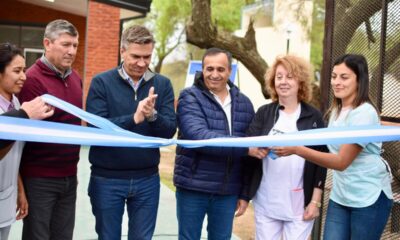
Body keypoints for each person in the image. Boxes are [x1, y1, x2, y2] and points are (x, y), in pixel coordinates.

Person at [273, 54, 393, 240]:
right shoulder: (336, 111)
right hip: (341, 196)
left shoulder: (364, 113)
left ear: (359, 80)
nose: (337, 82)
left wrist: (297, 149)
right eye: (334, 76)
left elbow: (341, 162)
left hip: (368, 198)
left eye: (344, 77)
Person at [86, 25, 176, 240]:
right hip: (107, 179)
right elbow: (96, 128)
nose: (142, 63)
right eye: (136, 56)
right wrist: (134, 119)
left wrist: (152, 115)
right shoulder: (101, 82)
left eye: (147, 57)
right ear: (122, 51)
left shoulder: (162, 84)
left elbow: (169, 130)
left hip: (147, 179)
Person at [174, 47, 255, 240]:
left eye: (220, 69)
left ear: (229, 71)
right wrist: (245, 148)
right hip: (193, 187)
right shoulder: (189, 97)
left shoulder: (245, 103)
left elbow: (251, 155)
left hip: (227, 191)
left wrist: (244, 194)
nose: (214, 74)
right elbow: (198, 135)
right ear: (202, 70)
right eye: (209, 69)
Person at [244, 55, 327, 240]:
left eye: (289, 76)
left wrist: (315, 201)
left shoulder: (314, 117)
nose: (283, 82)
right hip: (267, 201)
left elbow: (321, 162)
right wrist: (255, 150)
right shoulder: (264, 113)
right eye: (279, 77)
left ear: (300, 81)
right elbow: (247, 147)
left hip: (300, 203)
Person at [17, 19, 82, 240]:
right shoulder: (31, 80)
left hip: (69, 176)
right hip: (39, 179)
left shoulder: (76, 79)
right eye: (65, 44)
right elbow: (24, 131)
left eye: (75, 45)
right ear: (47, 43)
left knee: (64, 237)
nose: (71, 51)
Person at [0, 43, 54, 240]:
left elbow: (14, 154)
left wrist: (20, 191)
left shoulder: (14, 103)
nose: (24, 76)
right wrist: (23, 116)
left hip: (5, 198)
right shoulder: (20, 111)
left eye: (24, 70)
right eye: (17, 71)